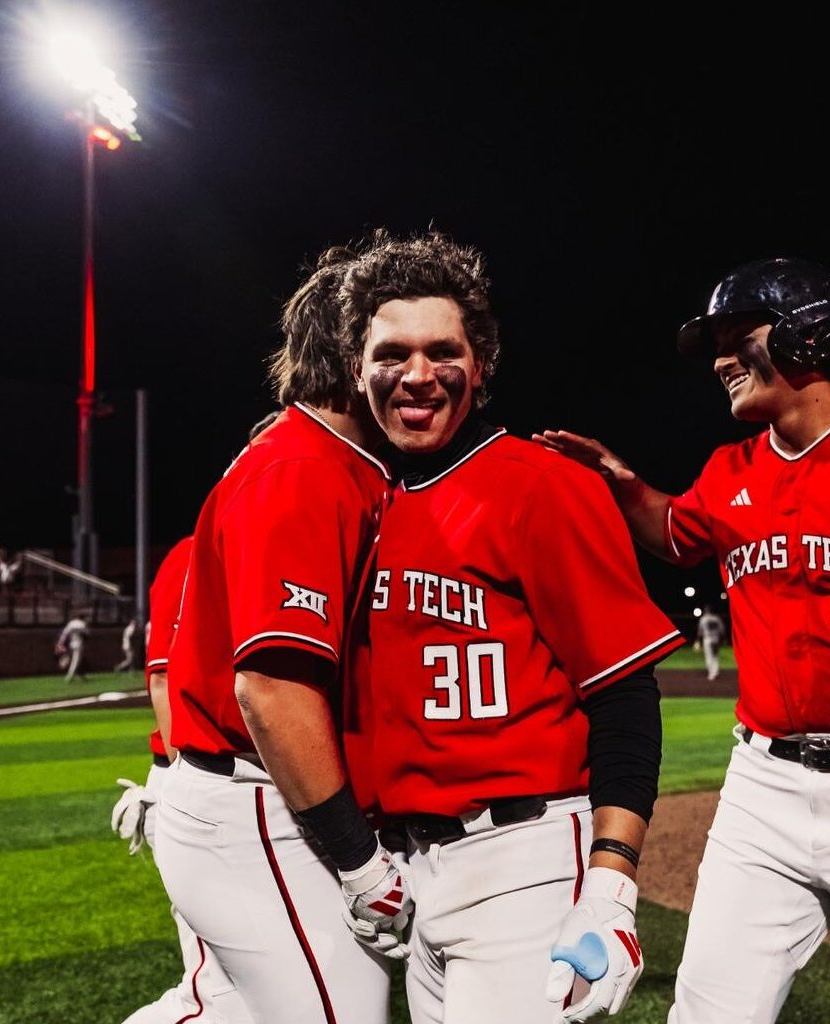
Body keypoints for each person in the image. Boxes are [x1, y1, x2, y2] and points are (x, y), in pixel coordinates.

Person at [537, 257, 830, 1023]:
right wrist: (621, 483)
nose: (722, 359)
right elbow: (673, 530)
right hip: (762, 791)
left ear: (810, 335)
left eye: (739, 336)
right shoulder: (730, 471)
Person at [340, 231, 682, 1024]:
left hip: (524, 863)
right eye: (392, 352)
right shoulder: (363, 499)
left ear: (480, 366)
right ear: (358, 368)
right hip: (408, 868)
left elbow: (625, 699)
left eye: (443, 351)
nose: (419, 375)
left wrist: (611, 886)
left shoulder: (545, 488)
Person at [154, 248, 402, 1024]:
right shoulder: (304, 467)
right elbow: (269, 689)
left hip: (254, 800)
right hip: (257, 806)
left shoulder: (337, 461)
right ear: (348, 350)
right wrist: (361, 865)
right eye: (389, 344)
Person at [111, 535, 254, 1024]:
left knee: (255, 991)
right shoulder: (194, 550)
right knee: (217, 996)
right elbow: (162, 679)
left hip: (217, 787)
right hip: (193, 782)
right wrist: (187, 791)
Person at [56, 613, 88, 681]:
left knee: (79, 661)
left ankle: (80, 675)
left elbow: (64, 633)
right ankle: (69, 677)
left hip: (71, 643)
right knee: (75, 661)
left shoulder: (71, 623)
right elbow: (86, 635)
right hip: (79, 644)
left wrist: (60, 643)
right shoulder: (82, 624)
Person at [696, 605, 725, 682]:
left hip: (707, 639)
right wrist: (722, 639)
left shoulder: (703, 619)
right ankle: (716, 671)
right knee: (715, 656)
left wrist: (698, 641)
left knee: (709, 656)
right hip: (716, 639)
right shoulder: (716, 618)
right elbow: (722, 630)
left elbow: (700, 631)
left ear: (706, 611)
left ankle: (711, 674)